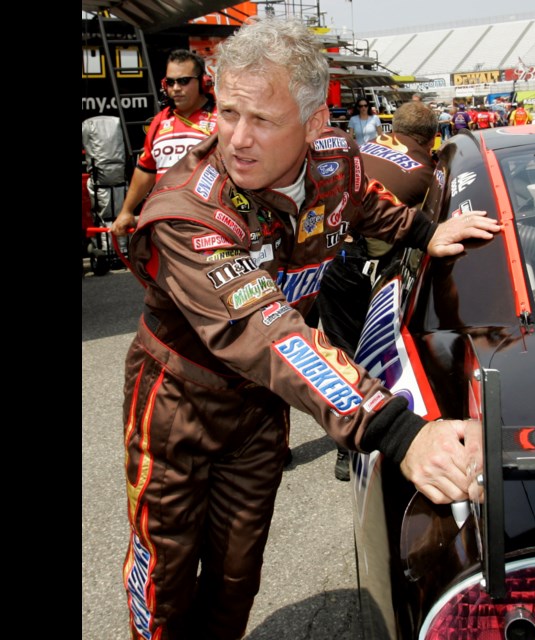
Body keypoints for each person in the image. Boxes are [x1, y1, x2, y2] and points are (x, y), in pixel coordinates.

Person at [119, 18, 498, 639]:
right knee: (165, 575)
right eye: (227, 112)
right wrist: (398, 432)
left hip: (262, 406)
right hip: (176, 405)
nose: (236, 138)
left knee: (237, 576)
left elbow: (360, 201)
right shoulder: (186, 210)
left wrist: (428, 232)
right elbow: (267, 331)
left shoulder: (335, 158)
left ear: (314, 123)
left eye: (261, 120)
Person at [314, 100, 441, 480]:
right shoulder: (429, 170)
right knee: (365, 358)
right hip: (363, 268)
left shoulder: (362, 148)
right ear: (430, 137)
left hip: (324, 255)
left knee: (336, 353)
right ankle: (364, 442)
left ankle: (346, 445)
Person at [110, 50, 217, 236]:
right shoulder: (159, 121)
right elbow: (146, 170)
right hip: (166, 224)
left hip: (209, 223)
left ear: (202, 82)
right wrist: (127, 210)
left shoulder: (222, 118)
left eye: (183, 81)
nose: (175, 88)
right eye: (170, 82)